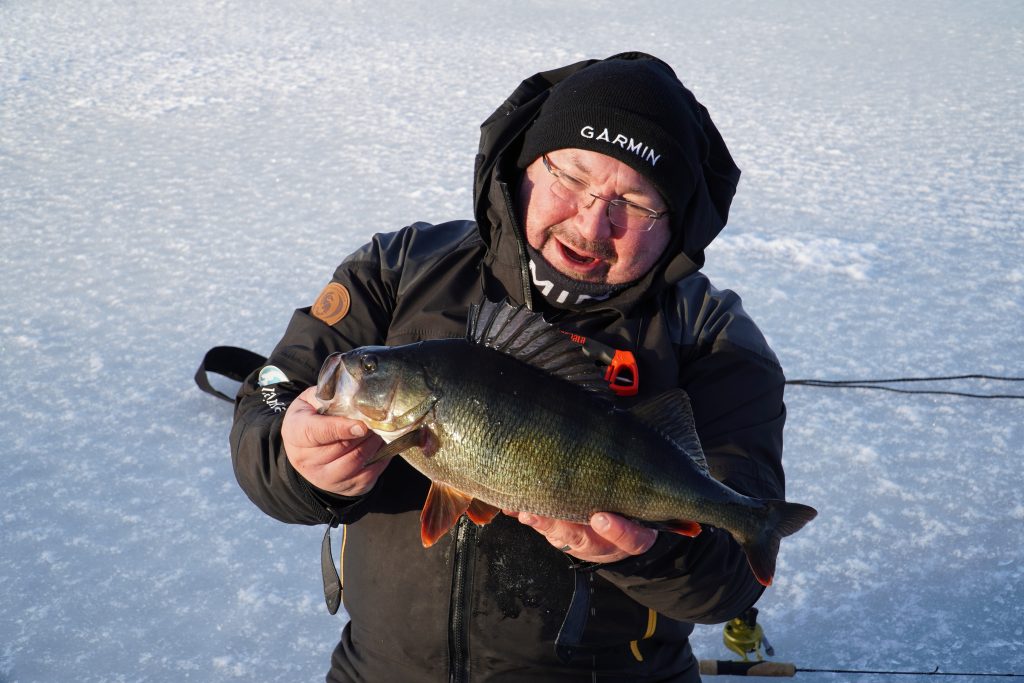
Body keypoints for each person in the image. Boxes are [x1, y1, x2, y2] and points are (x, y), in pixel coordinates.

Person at [230, 52, 790, 682]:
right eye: (572, 177)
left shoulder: (713, 340)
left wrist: (650, 554)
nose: (592, 221)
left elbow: (733, 578)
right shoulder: (398, 268)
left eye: (634, 202)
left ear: (677, 220)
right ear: (527, 163)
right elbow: (272, 391)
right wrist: (296, 456)